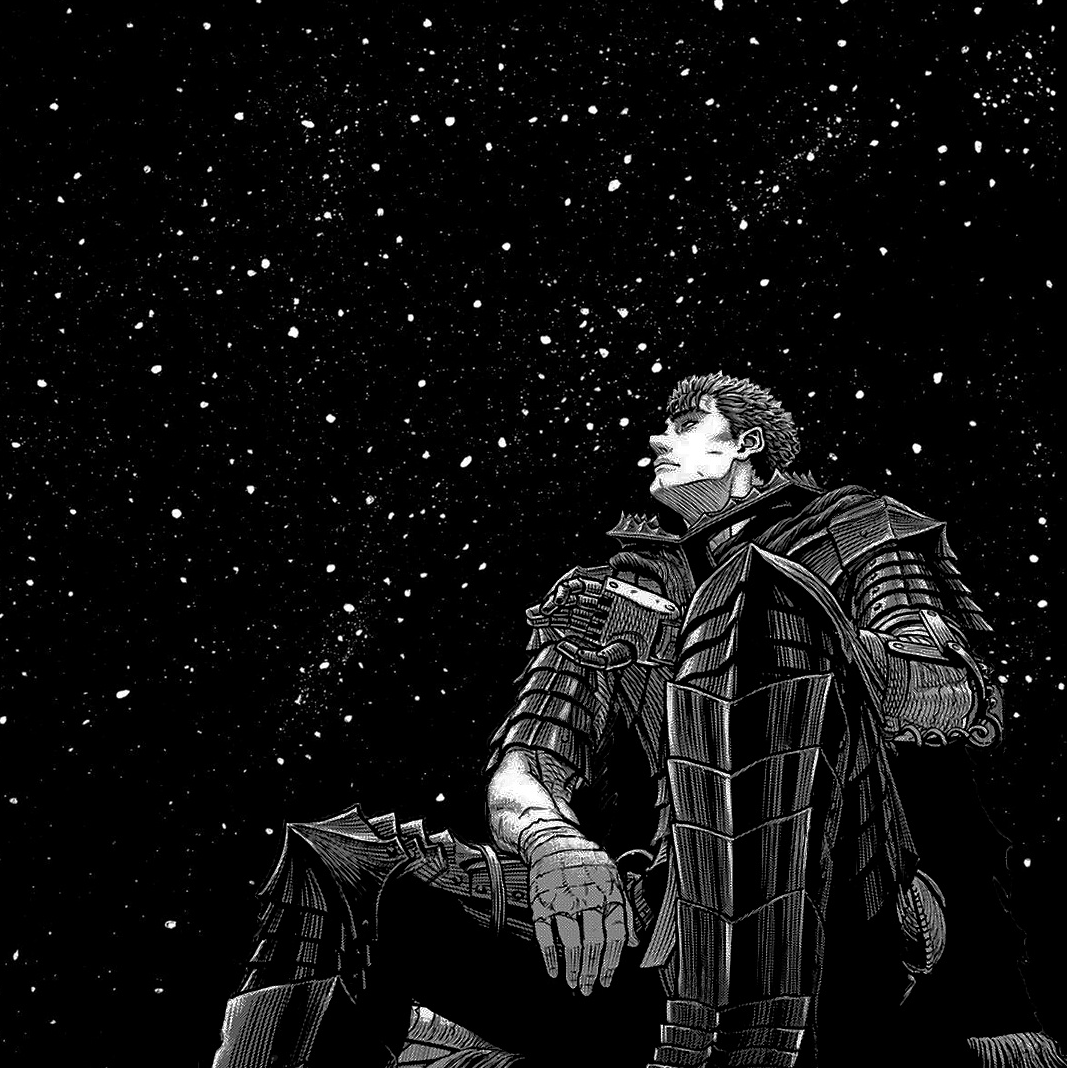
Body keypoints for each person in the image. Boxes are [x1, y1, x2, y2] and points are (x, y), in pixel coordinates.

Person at [208, 373, 1060, 1067]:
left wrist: (800, 641)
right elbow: (526, 766)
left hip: (860, 918)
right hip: (667, 929)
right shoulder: (612, 588)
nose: (657, 439)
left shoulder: (856, 529)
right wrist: (555, 844)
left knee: (763, 606)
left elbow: (956, 691)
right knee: (340, 867)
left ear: (747, 444)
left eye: (685, 425)